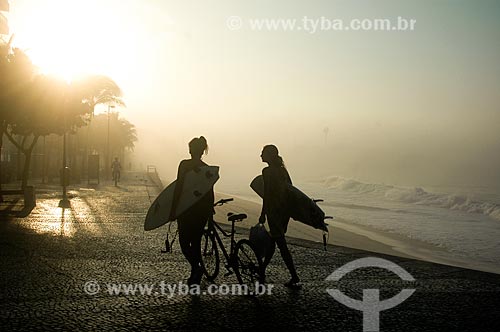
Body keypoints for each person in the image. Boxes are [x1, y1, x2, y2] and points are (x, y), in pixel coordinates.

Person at [169, 136, 214, 286]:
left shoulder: (184, 165)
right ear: (202, 151)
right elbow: (209, 193)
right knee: (195, 243)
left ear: (190, 149)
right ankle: (195, 274)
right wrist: (210, 213)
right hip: (201, 211)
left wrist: (173, 209)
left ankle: (196, 268)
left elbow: (179, 188)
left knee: (184, 242)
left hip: (186, 209)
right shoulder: (206, 168)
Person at [259, 144, 301, 289]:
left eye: (263, 153)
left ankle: (295, 277)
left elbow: (267, 195)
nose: (260, 155)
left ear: (269, 155)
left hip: (274, 212)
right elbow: (291, 189)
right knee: (273, 241)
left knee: (281, 245)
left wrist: (262, 214)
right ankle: (262, 270)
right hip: (284, 212)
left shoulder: (267, 171)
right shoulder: (283, 171)